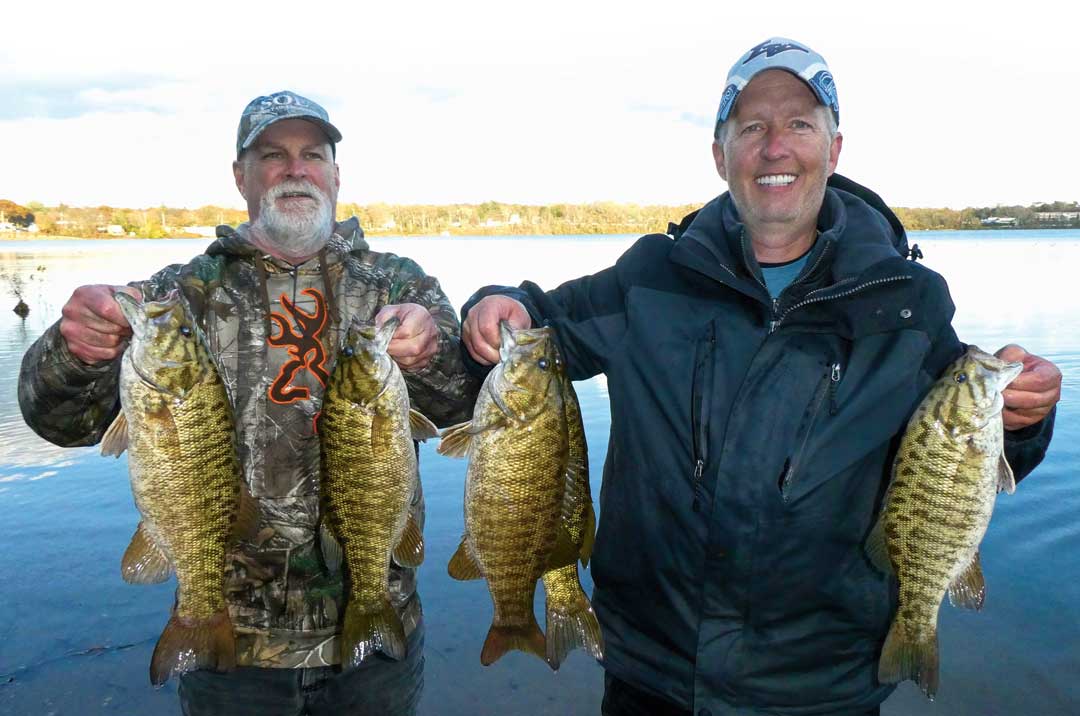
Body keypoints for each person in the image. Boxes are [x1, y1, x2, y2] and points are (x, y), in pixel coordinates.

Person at [460, 39, 1061, 716]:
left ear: (834, 150)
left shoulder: (908, 303)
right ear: (721, 156)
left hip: (823, 685)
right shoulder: (651, 277)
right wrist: (492, 304)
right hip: (652, 674)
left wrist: (1026, 417)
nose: (776, 148)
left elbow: (960, 460)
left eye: (800, 124)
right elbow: (538, 327)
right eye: (752, 128)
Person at [18, 90, 478, 715]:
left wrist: (428, 355)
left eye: (312, 154)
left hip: (379, 629)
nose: (295, 169)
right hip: (233, 651)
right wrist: (78, 352)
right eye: (272, 154)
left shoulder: (398, 284)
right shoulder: (178, 296)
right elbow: (59, 422)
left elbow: (465, 410)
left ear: (337, 175)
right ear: (241, 176)